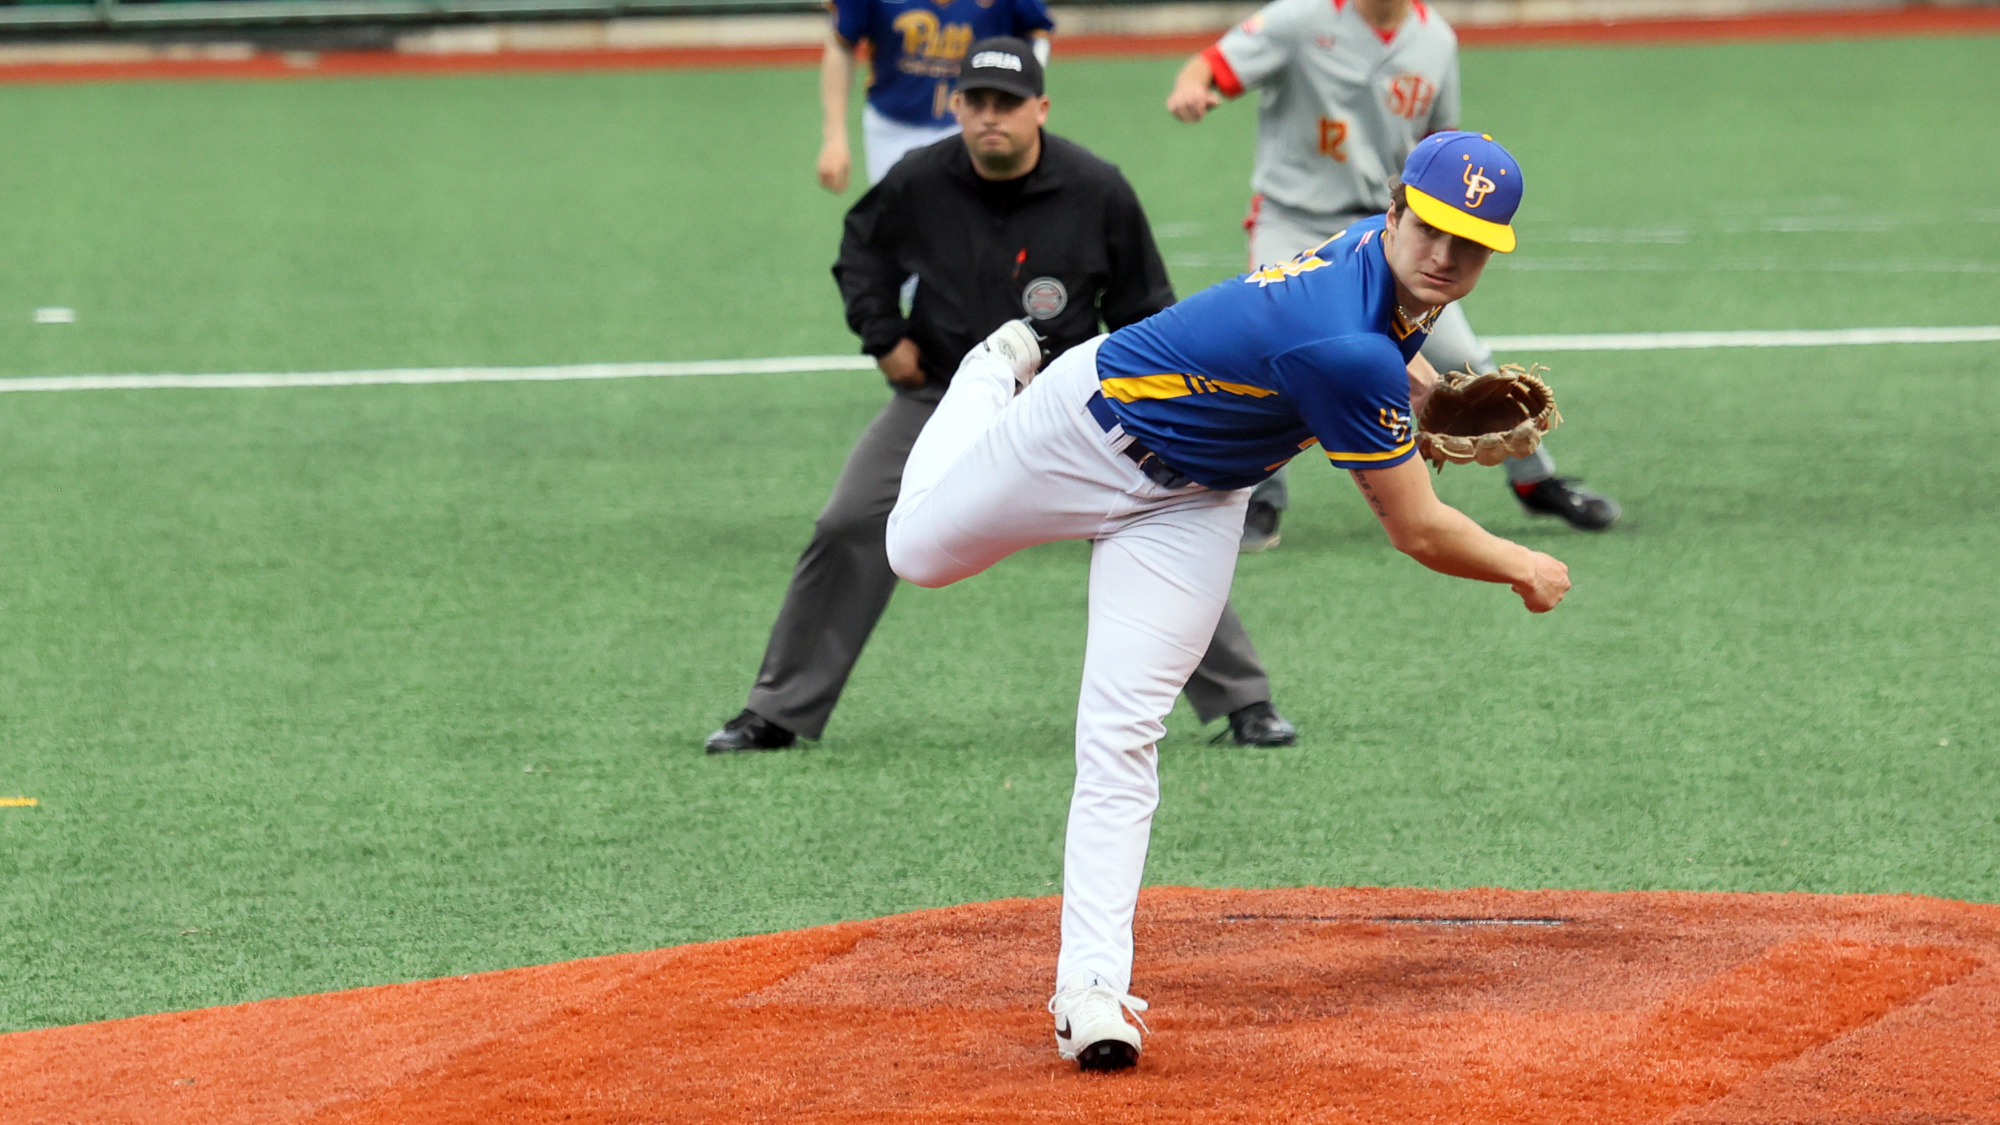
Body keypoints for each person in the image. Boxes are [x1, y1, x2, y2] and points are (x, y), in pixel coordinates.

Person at [882, 132, 1570, 1069]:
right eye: (1435, 229)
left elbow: (1374, 357)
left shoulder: (1378, 267)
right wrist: (1522, 564)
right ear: (1399, 208)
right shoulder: (1344, 337)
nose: (1448, 256)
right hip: (1086, 428)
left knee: (1122, 730)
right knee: (915, 550)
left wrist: (1425, 394)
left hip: (1200, 498)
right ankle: (990, 369)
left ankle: (1089, 988)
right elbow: (1418, 530)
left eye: (1473, 243)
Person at [707, 39, 1300, 754]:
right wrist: (884, 338)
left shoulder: (1096, 189)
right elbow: (860, 251)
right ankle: (777, 709)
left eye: (1008, 104)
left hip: (1070, 407)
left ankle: (1245, 700)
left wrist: (1157, 409)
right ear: (955, 106)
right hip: (939, 397)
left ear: (1040, 109)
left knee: (1159, 518)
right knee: (848, 521)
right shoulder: (918, 179)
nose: (991, 118)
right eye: (976, 102)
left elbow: (1147, 309)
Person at [1164, 0, 1620, 550]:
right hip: (1295, 220)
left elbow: (1445, 143)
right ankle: (1260, 498)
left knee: (1462, 357)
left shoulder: (1437, 41)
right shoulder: (1298, 19)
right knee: (1273, 354)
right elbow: (1210, 64)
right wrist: (1192, 89)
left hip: (1403, 229)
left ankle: (1535, 480)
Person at [816, 0, 1053, 194]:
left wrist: (1024, 102)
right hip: (892, 128)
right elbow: (841, 43)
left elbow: (1036, 33)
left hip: (975, 125)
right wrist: (834, 138)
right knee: (900, 226)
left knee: (980, 221)